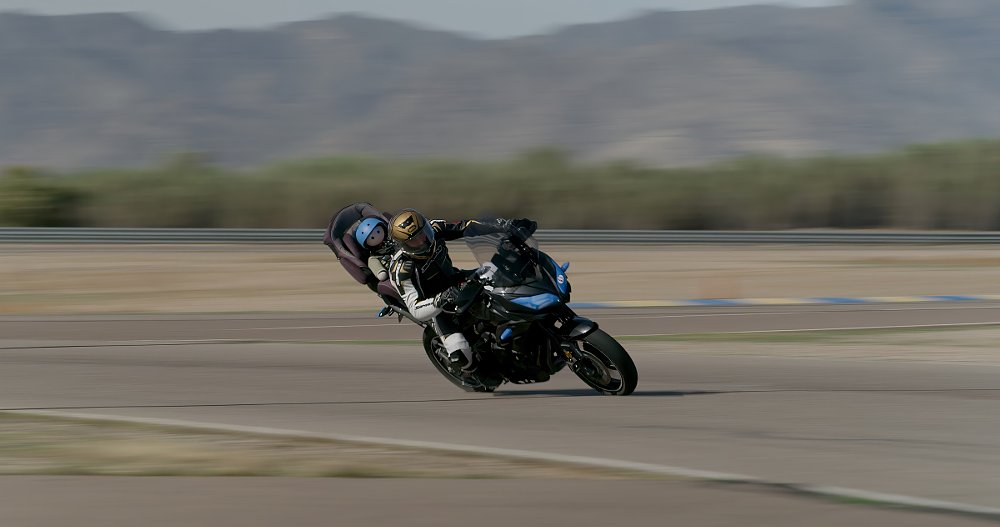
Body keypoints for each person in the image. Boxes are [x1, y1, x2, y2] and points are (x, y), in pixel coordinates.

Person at [387, 208, 536, 371]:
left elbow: (468, 227)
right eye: (414, 240)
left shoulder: (435, 228)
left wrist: (507, 226)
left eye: (423, 232)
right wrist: (441, 299)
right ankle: (477, 374)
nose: (423, 240)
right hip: (436, 306)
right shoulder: (401, 269)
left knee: (501, 271)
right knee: (461, 355)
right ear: (404, 245)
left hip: (456, 280)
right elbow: (415, 308)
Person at [353, 216, 395, 282]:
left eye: (378, 231)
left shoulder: (394, 240)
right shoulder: (373, 259)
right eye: (372, 238)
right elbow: (382, 276)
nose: (376, 236)